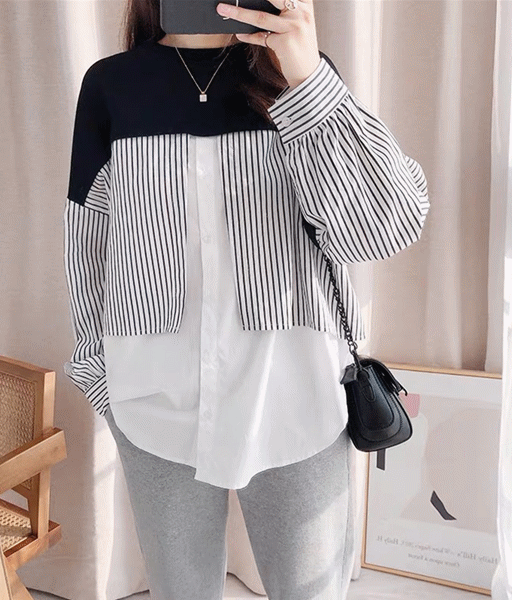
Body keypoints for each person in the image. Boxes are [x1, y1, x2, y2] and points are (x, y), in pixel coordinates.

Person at [62, 0, 430, 598]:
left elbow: (380, 231)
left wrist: (309, 81)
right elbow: (87, 244)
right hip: (153, 400)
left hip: (295, 394)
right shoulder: (111, 87)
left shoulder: (299, 74)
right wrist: (99, 374)